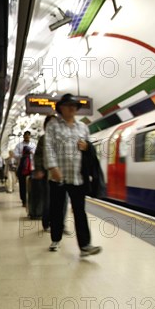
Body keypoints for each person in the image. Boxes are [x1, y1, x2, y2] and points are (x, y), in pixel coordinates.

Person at [44, 93, 101, 256]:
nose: (72, 109)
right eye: (69, 106)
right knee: (56, 210)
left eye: (74, 106)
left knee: (80, 210)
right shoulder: (53, 125)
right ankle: (55, 239)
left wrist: (87, 147)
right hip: (59, 176)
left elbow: (90, 148)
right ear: (61, 108)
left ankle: (85, 246)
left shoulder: (83, 127)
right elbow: (48, 147)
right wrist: (52, 167)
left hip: (78, 177)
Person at [14, 131, 36, 207]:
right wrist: (23, 154)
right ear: (23, 136)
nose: (27, 137)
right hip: (22, 168)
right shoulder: (19, 145)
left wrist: (31, 154)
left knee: (31, 185)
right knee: (22, 185)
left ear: (30, 137)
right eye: (25, 136)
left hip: (31, 168)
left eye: (28, 136)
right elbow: (15, 155)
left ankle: (31, 200)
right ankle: (24, 200)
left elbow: (36, 155)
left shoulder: (33, 145)